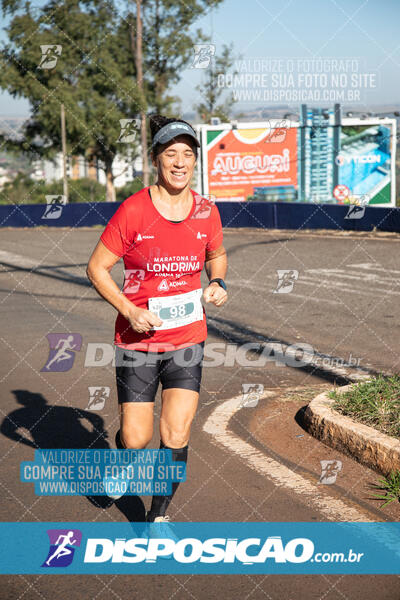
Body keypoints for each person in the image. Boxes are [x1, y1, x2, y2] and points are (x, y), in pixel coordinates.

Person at [86, 115, 227, 525]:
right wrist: (128, 309)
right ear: (156, 160)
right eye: (171, 154)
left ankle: (157, 517)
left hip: (187, 338)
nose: (180, 162)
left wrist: (217, 280)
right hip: (138, 342)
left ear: (195, 161)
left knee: (177, 434)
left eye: (187, 154)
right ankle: (125, 460)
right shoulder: (133, 210)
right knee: (137, 438)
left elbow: (215, 253)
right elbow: (96, 268)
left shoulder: (206, 210)